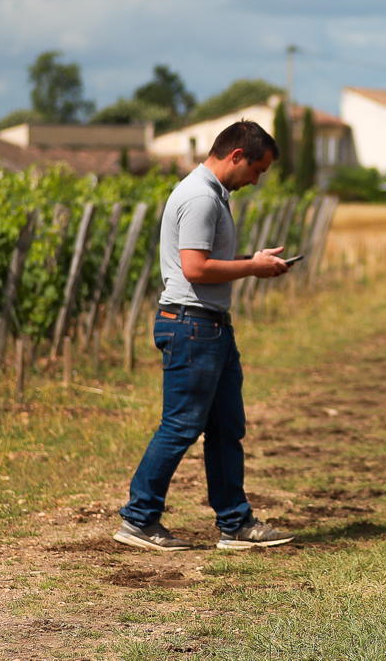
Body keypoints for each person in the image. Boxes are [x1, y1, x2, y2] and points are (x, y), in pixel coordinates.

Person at [115, 120, 295, 551]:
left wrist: (251, 259)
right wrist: (253, 267)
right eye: (257, 170)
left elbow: (205, 262)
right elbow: (195, 269)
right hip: (192, 326)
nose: (257, 180)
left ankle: (235, 523)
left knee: (226, 427)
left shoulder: (213, 194)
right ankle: (139, 518)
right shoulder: (200, 197)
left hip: (209, 325)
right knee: (180, 426)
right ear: (236, 156)